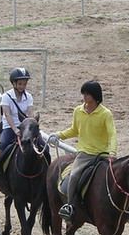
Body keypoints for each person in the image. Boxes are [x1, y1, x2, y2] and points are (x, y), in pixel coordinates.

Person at [49, 80, 117, 220]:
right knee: (73, 176)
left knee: (119, 177)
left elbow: (112, 134)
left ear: (95, 96)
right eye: (84, 93)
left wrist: (112, 153)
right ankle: (70, 206)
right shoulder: (78, 111)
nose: (84, 96)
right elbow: (74, 130)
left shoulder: (106, 114)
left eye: (87, 94)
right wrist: (59, 135)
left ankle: (124, 209)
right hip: (85, 154)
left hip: (103, 154)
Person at [0, 67, 34, 183]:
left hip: (24, 127)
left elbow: (30, 113)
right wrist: (15, 129)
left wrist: (31, 125)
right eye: (20, 84)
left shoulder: (29, 97)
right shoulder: (6, 97)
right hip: (9, 127)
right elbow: (7, 114)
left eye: (24, 84)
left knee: (41, 145)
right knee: (3, 145)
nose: (23, 86)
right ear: (14, 83)